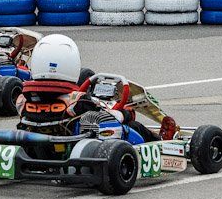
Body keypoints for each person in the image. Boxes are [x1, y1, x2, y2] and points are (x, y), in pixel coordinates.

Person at [15, 34, 164, 142]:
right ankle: (162, 142)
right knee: (130, 127)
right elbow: (106, 116)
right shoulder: (77, 101)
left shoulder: (22, 100)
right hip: (75, 144)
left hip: (37, 145)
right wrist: (126, 113)